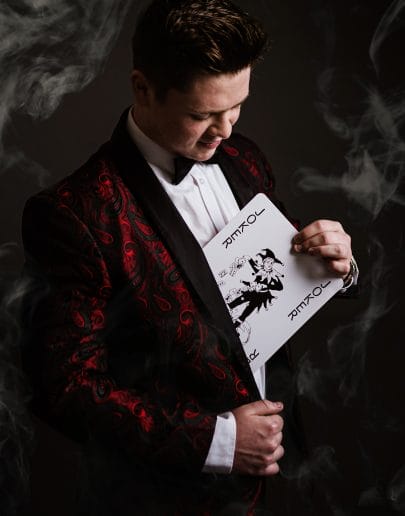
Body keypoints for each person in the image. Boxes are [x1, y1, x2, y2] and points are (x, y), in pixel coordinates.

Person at [21, 1, 357, 514]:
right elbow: (64, 388)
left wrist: (336, 264)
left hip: (283, 479)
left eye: (237, 106)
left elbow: (279, 282)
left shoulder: (244, 157)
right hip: (167, 498)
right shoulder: (76, 213)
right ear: (143, 89)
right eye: (202, 115)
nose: (225, 130)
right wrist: (218, 441)